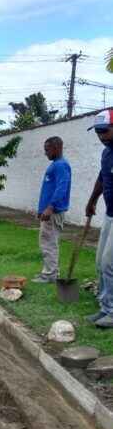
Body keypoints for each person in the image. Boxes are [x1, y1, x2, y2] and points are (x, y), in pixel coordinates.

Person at [85, 109, 113, 328]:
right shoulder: (107, 153)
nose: (101, 136)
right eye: (97, 132)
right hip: (109, 214)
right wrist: (92, 200)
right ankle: (104, 307)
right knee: (99, 263)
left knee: (109, 263)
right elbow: (102, 178)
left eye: (104, 131)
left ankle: (112, 311)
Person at [32, 136, 72, 284]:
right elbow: (48, 189)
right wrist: (41, 209)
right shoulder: (56, 164)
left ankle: (50, 275)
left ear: (56, 148)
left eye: (47, 150)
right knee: (47, 242)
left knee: (49, 243)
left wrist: (50, 207)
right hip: (48, 211)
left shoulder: (61, 165)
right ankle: (49, 272)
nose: (45, 153)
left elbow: (62, 187)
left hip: (53, 212)